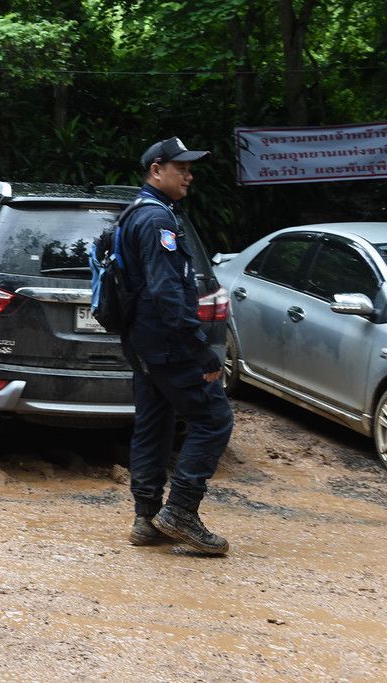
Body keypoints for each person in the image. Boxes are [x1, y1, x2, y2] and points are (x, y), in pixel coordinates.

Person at [119, 136, 234, 555]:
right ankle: (181, 510)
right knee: (214, 418)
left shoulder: (135, 212)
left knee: (154, 424)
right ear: (156, 170)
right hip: (168, 343)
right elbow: (167, 292)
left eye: (190, 169)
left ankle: (146, 518)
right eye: (181, 168)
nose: (189, 176)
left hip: (144, 343)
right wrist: (200, 350)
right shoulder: (157, 221)